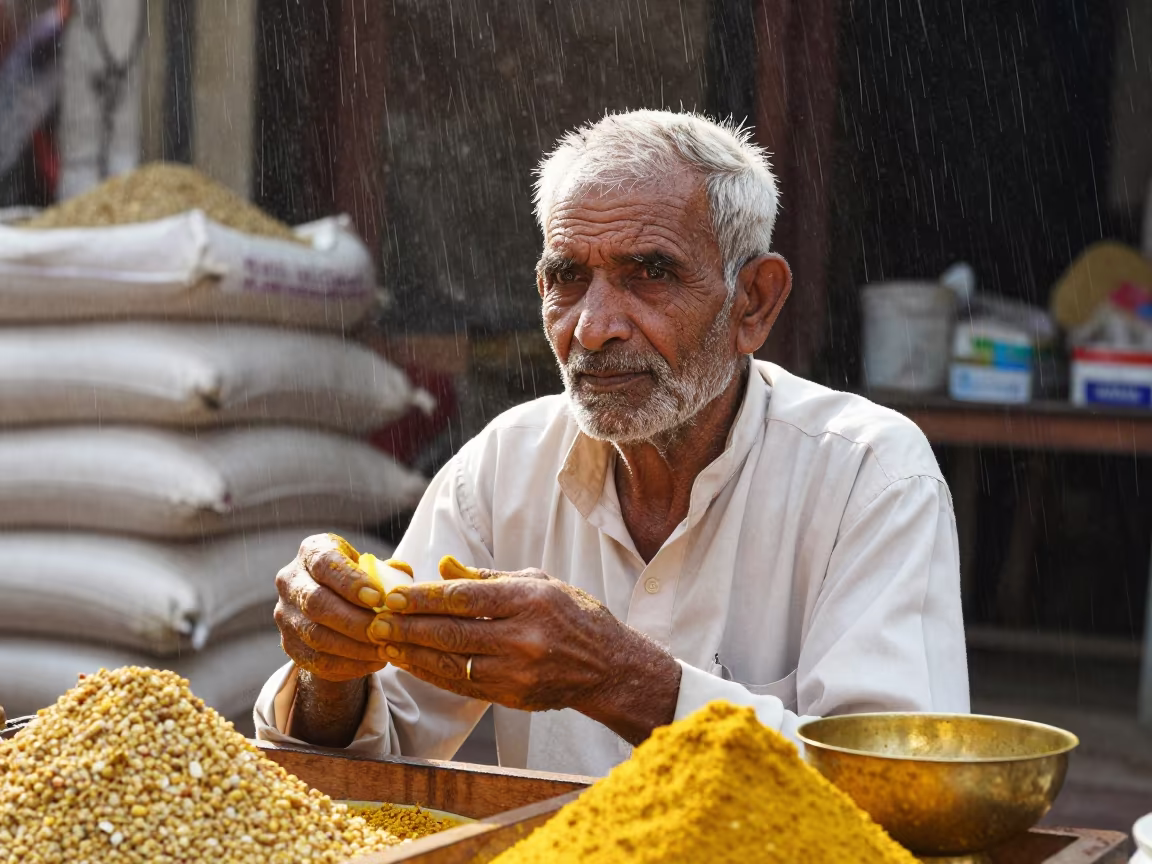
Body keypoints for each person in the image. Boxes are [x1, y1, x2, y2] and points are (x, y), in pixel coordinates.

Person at [255, 110, 968, 777]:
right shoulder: (508, 465)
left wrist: (617, 676)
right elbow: (376, 744)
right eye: (568, 278)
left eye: (649, 274)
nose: (592, 329)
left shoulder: (869, 476)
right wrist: (331, 663)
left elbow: (900, 788)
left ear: (753, 302)